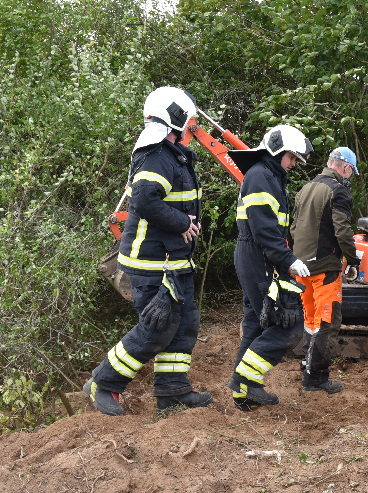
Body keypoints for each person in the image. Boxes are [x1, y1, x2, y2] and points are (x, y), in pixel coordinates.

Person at [84, 86, 212, 415]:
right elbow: (143, 199)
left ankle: (172, 391)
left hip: (173, 260)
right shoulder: (156, 154)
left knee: (184, 325)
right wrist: (182, 223)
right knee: (159, 327)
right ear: (177, 117)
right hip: (153, 262)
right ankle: (103, 382)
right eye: (188, 117)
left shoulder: (172, 155)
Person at [226, 125, 313, 410]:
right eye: (291, 157)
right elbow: (265, 230)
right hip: (257, 255)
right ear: (277, 151)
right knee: (284, 324)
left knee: (256, 321)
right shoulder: (262, 177)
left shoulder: (268, 176)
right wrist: (289, 260)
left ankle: (242, 392)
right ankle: (246, 381)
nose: (293, 163)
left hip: (256, 255)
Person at [290, 147, 361, 394]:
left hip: (301, 267)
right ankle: (316, 379)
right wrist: (353, 259)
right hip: (325, 268)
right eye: (351, 172)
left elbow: (293, 227)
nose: (350, 177)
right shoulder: (337, 191)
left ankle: (306, 365)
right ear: (345, 167)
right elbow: (342, 230)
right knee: (327, 321)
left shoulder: (305, 188)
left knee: (310, 319)